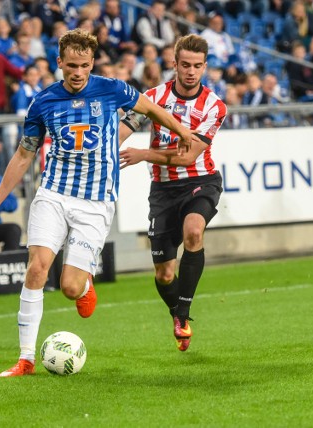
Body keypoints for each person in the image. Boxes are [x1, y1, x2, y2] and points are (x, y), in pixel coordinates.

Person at [0, 28, 196, 377]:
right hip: (54, 193)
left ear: (92, 62)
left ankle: (84, 284)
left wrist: (183, 131)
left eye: (83, 65)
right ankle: (26, 359)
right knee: (37, 268)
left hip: (95, 203)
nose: (77, 72)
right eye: (71, 66)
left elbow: (151, 109)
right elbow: (24, 154)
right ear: (59, 63)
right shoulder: (43, 101)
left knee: (69, 288)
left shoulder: (111, 89)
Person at [119, 34, 227, 352]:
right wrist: (110, 149)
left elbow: (188, 156)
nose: (191, 71)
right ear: (174, 64)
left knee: (194, 231)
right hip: (163, 191)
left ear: (205, 67)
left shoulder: (215, 106)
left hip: (201, 180)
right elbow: (126, 127)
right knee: (165, 273)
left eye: (197, 66)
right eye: (185, 65)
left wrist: (143, 154)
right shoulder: (152, 98)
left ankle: (183, 313)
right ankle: (175, 313)